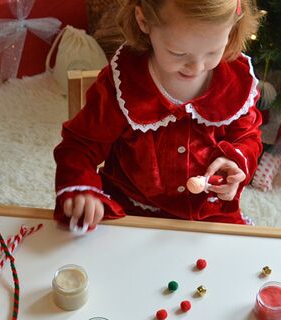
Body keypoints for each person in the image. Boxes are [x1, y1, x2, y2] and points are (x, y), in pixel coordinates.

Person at [54, 0, 263, 231]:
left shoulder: (235, 80)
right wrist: (81, 187)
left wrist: (234, 162)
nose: (196, 67)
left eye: (213, 51)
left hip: (209, 214)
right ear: (143, 21)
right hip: (131, 210)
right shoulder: (123, 82)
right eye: (178, 52)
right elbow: (80, 145)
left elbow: (247, 137)